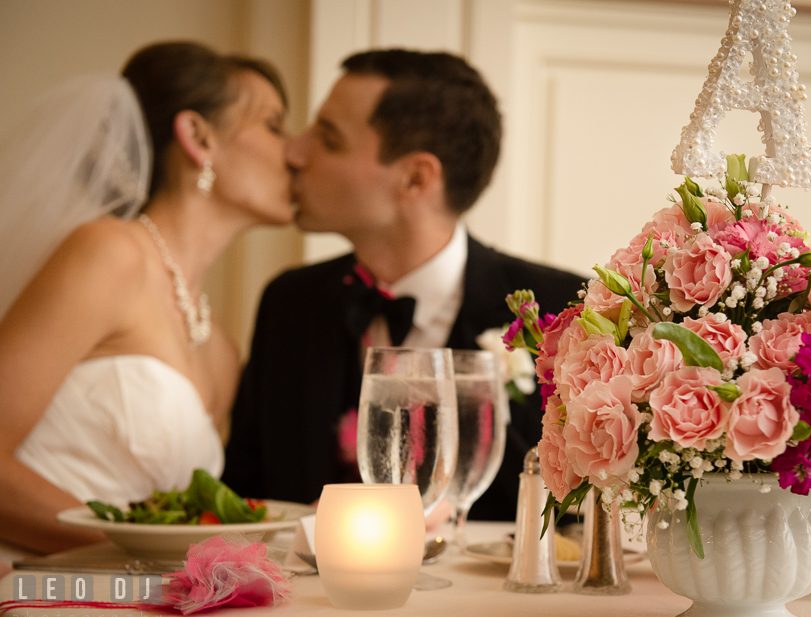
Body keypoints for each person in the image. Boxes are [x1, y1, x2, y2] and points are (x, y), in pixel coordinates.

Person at [224, 49, 583, 521]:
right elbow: (246, 499)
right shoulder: (289, 303)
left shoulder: (563, 312)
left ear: (415, 178)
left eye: (328, 138)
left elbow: (584, 518)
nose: (294, 152)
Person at [0, 41, 293, 555]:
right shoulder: (108, 254)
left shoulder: (219, 347)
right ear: (198, 137)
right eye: (273, 125)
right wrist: (134, 548)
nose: (294, 151)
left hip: (132, 600)